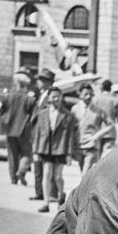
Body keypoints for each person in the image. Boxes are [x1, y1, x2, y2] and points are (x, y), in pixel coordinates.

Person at [32, 85, 78, 214]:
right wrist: (35, 151)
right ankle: (46, 203)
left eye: (58, 96)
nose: (56, 98)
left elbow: (70, 136)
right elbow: (38, 132)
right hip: (46, 147)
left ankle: (60, 195)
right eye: (54, 96)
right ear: (49, 99)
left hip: (61, 149)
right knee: (47, 174)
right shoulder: (42, 113)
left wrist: (69, 153)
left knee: (57, 176)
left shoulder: (68, 115)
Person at [0, 69, 36, 185]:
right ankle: (21, 171)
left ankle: (13, 178)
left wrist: (5, 122)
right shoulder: (29, 99)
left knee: (12, 156)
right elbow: (33, 115)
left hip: (10, 130)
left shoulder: (9, 97)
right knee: (27, 154)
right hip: (24, 130)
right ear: (26, 86)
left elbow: (0, 113)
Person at [70, 82, 113, 174]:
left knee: (84, 175)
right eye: (85, 94)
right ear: (80, 94)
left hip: (92, 147)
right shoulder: (75, 109)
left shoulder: (98, 111)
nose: (88, 96)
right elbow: (71, 128)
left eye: (90, 94)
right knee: (85, 175)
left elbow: (111, 125)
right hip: (79, 147)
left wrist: (97, 135)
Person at [28, 68, 56, 201]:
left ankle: (51, 193)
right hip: (37, 135)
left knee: (47, 166)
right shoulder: (41, 95)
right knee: (37, 164)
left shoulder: (51, 96)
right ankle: (39, 192)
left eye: (39, 80)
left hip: (44, 137)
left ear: (46, 82)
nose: (37, 82)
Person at [93, 79, 118, 155]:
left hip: (97, 131)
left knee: (96, 155)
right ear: (110, 88)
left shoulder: (96, 99)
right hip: (110, 133)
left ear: (102, 88)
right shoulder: (115, 100)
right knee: (106, 155)